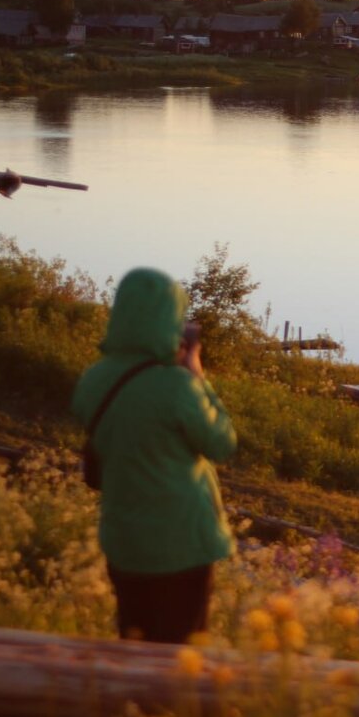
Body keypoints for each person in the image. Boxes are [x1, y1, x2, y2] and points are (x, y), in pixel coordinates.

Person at [71, 267, 237, 643]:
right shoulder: (178, 387)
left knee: (134, 644)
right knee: (178, 661)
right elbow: (222, 443)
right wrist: (196, 374)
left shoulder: (93, 379)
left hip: (124, 541)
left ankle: (128, 703)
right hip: (183, 544)